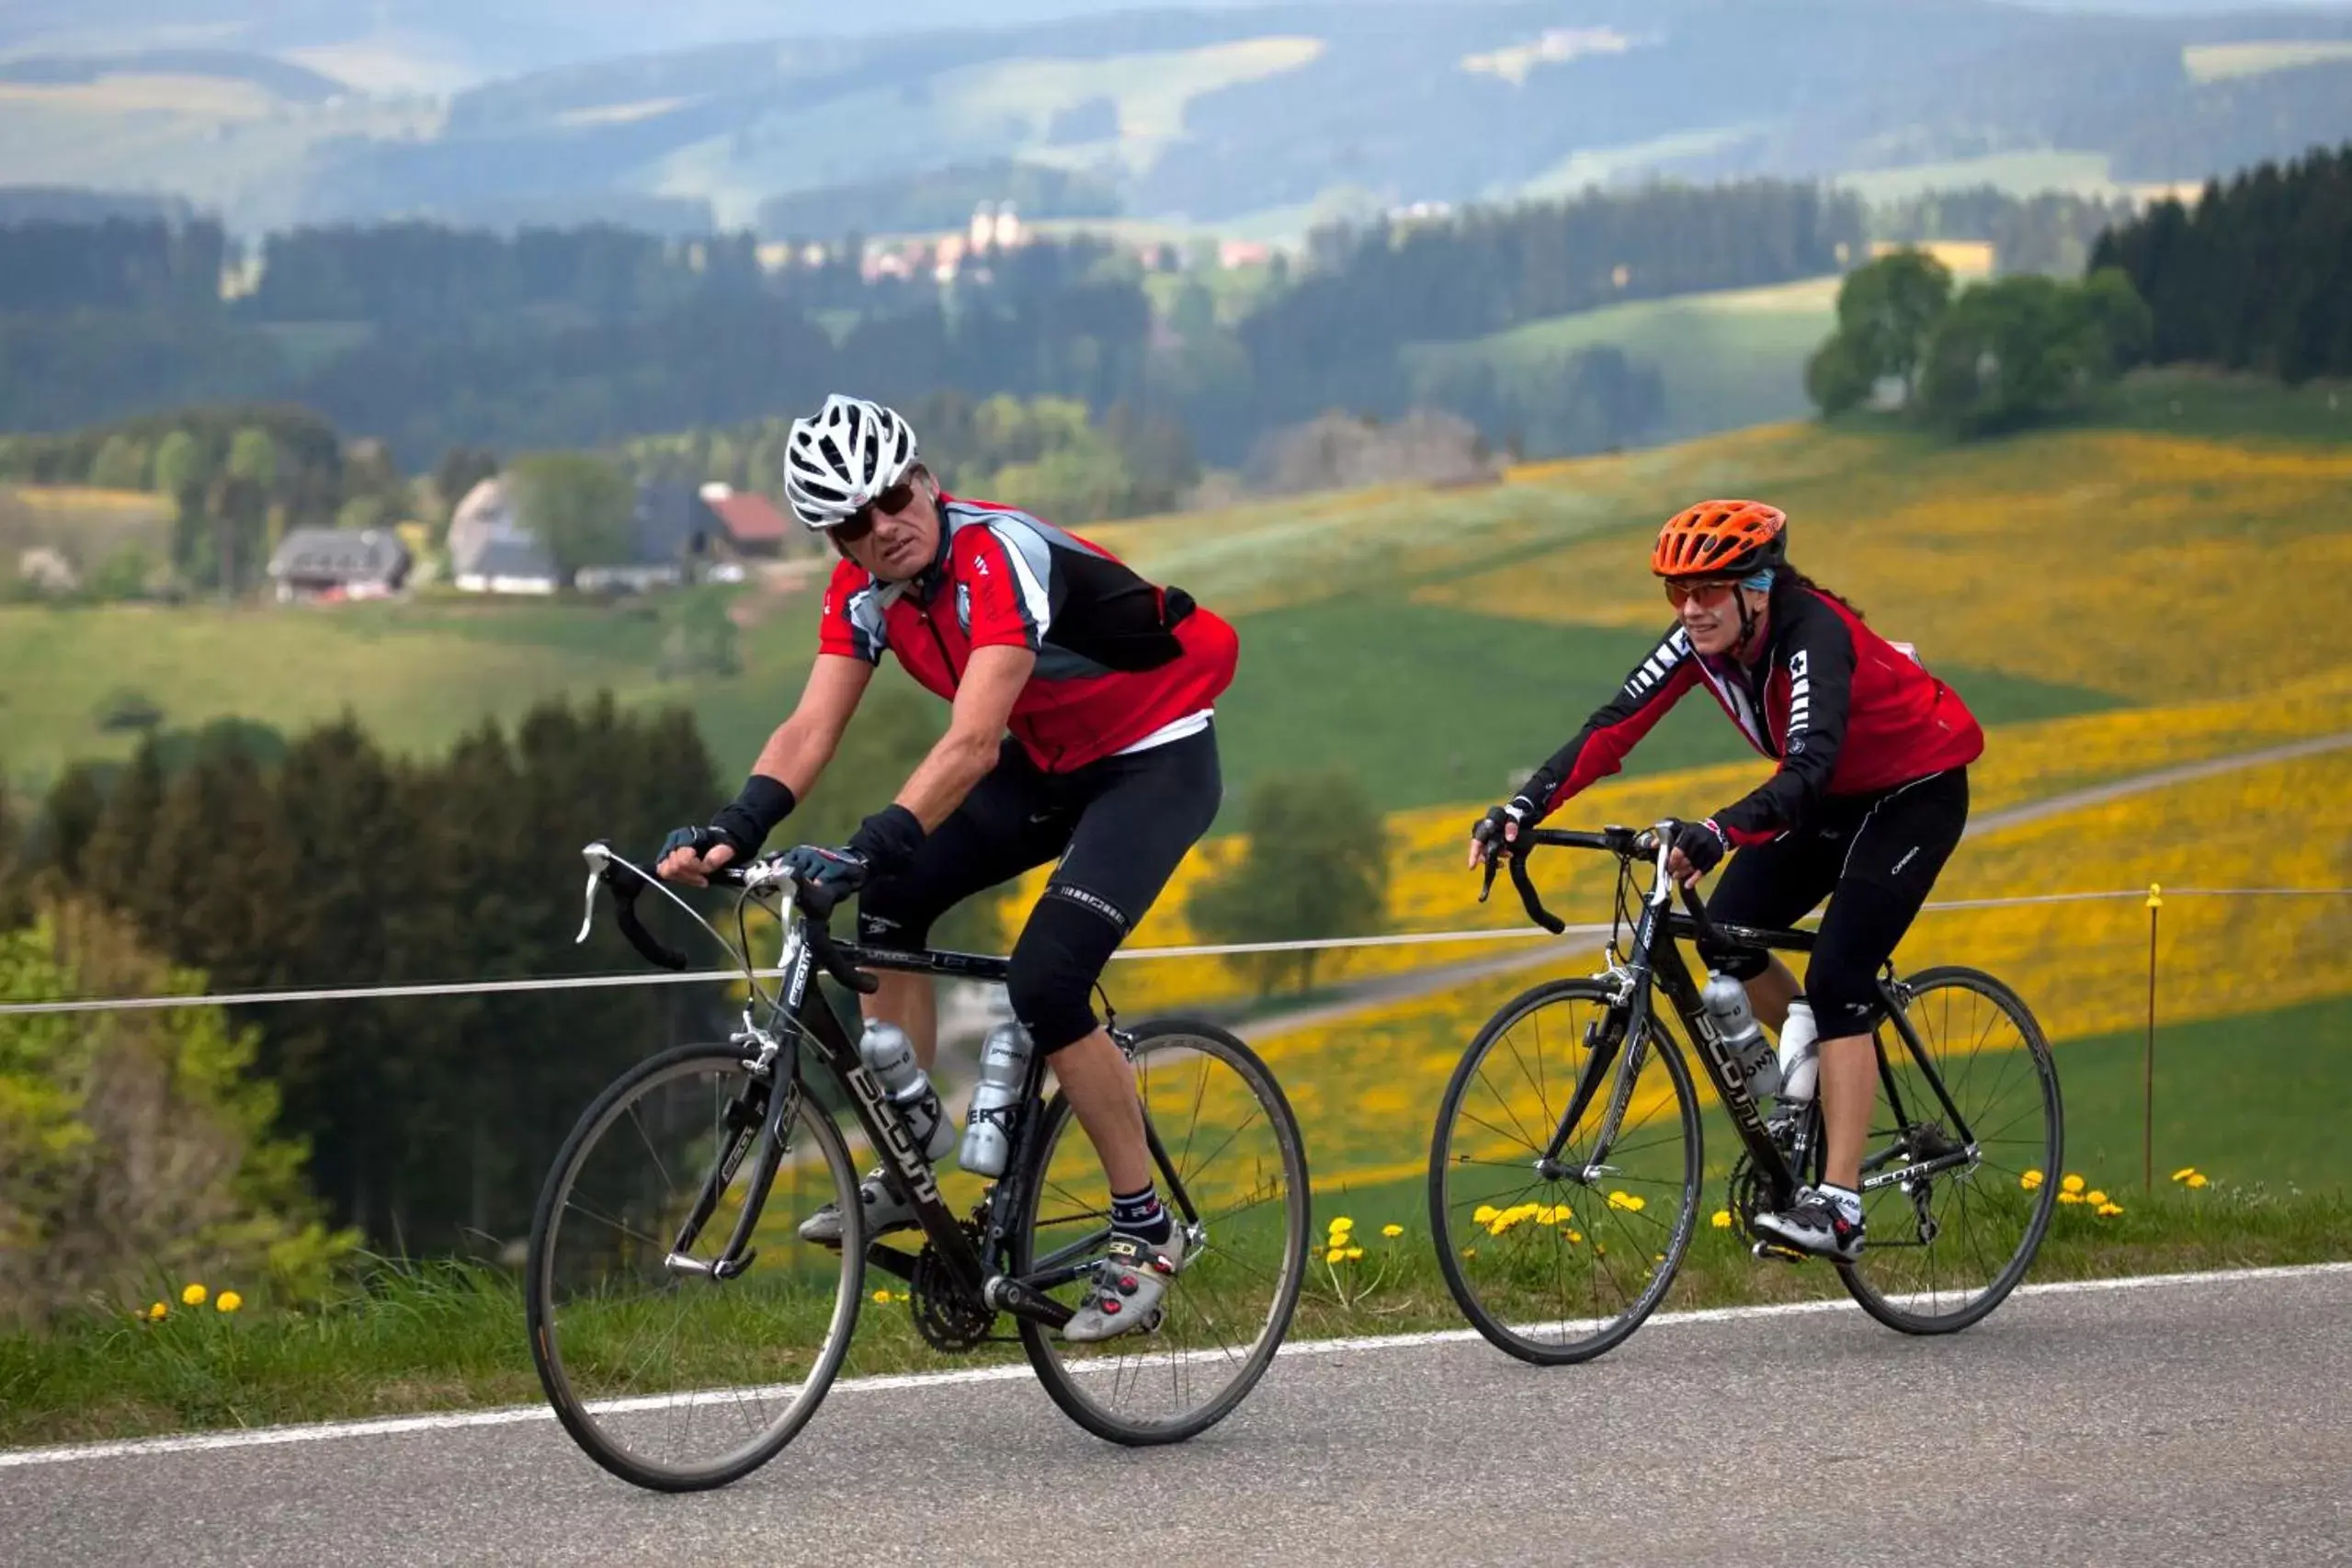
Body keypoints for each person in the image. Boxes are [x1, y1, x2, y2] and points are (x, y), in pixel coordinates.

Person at [656, 393, 1238, 1341]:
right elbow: (811, 726)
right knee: (888, 896)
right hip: (1051, 760)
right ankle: (910, 1144)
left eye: (894, 496)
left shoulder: (996, 555)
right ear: (835, 540)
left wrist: (870, 837)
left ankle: (1144, 1224)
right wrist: (737, 822)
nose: (885, 526)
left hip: (1153, 756)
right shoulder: (861, 591)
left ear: (924, 479)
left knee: (1048, 979)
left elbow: (970, 743)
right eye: (854, 521)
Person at [1467, 499, 1983, 1261]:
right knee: (1728, 932)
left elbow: (1806, 767)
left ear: (1758, 587)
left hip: (1914, 791)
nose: (1689, 608)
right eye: (1675, 591)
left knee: (1841, 975)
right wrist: (1522, 807)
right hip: (1831, 795)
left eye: (1707, 590)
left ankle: (1838, 1207)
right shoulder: (1696, 641)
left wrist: (1716, 831)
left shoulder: (1813, 634)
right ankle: (1812, 1069)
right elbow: (1615, 725)